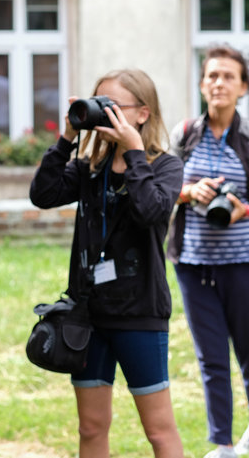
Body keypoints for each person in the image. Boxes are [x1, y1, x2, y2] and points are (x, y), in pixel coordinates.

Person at [29, 69, 184, 458]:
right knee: (91, 427)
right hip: (88, 317)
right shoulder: (89, 168)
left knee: (159, 431)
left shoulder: (165, 167)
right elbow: (43, 194)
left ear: (143, 113)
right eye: (98, 104)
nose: (103, 115)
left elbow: (151, 212)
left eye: (112, 106)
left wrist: (133, 153)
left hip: (139, 314)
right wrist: (67, 137)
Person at [167, 45, 249, 458]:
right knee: (210, 356)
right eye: (211, 76)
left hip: (246, 261)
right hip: (193, 262)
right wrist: (188, 192)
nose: (218, 83)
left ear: (243, 87)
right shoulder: (184, 135)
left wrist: (246, 209)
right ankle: (222, 444)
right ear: (202, 85)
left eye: (227, 76)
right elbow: (161, 190)